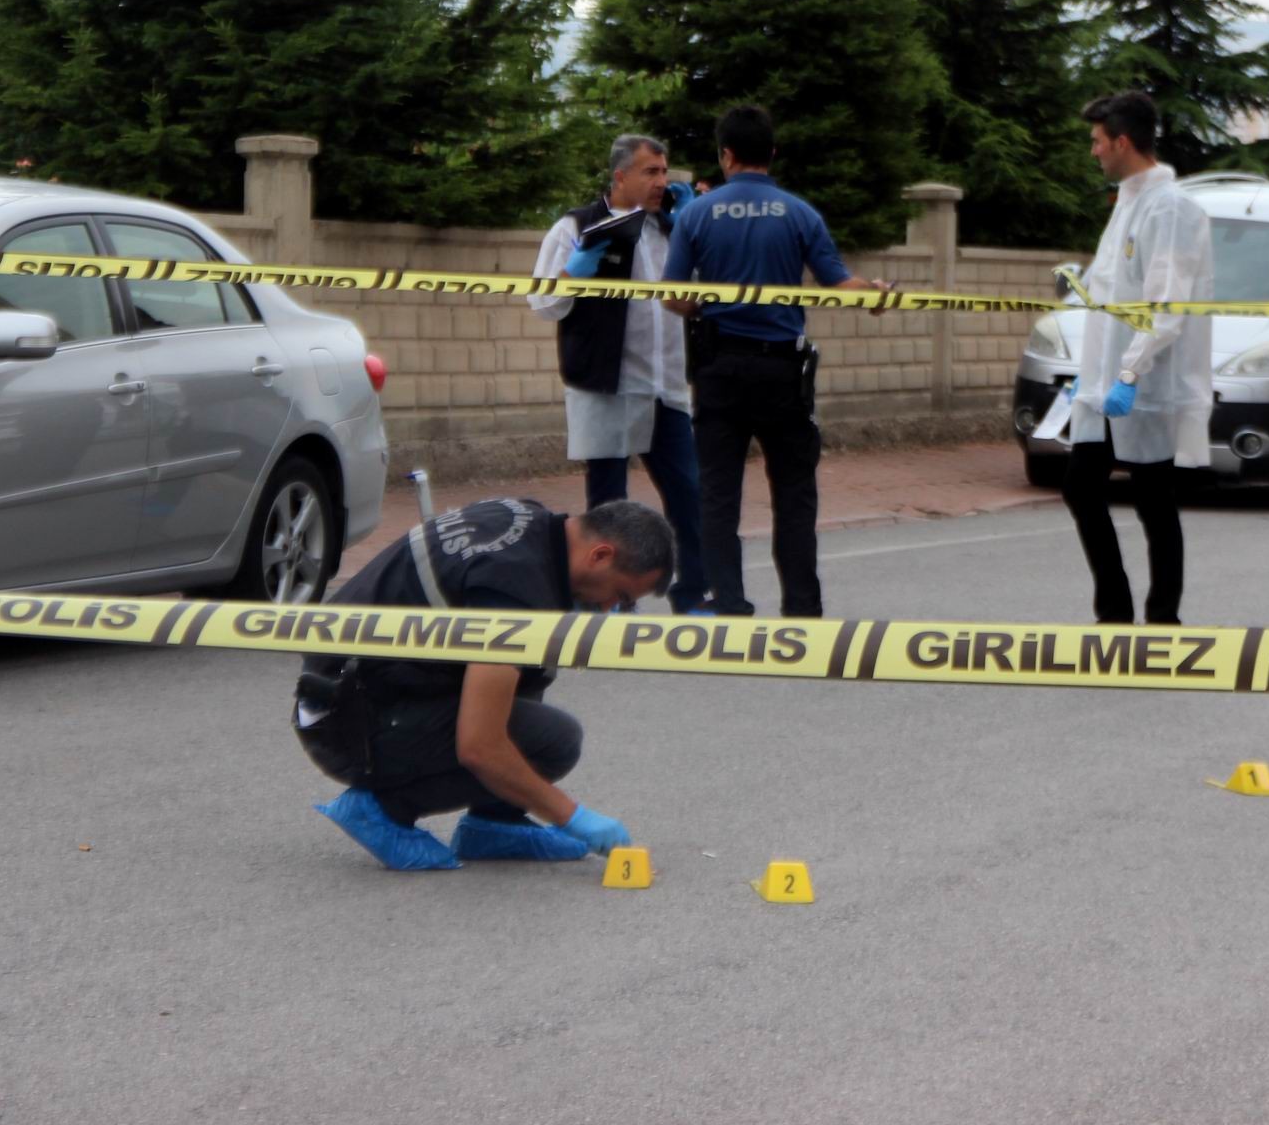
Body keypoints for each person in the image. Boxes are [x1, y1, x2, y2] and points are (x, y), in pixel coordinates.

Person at [294, 498, 673, 871]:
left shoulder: (527, 518)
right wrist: (571, 816)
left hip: (341, 691)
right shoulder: (514, 590)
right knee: (555, 740)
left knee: (534, 659)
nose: (608, 608)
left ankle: (496, 821)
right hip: (346, 725)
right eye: (620, 596)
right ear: (601, 555)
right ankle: (383, 810)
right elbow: (481, 746)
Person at [660, 105, 889, 618]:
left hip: (719, 369)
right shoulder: (799, 212)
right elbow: (840, 285)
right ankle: (803, 610)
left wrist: (711, 303)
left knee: (717, 495)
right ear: (772, 153)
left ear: (726, 155)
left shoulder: (696, 214)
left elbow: (672, 296)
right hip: (783, 372)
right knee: (794, 493)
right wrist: (875, 292)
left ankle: (732, 605)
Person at [528, 134, 710, 613]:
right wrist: (574, 273)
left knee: (690, 497)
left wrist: (695, 232)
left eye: (665, 171)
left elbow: (693, 300)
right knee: (608, 505)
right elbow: (544, 303)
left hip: (664, 387)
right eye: (650, 172)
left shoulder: (672, 230)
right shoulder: (576, 226)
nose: (662, 182)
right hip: (605, 384)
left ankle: (691, 594)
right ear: (620, 176)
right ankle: (605, 600)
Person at [1061, 90, 1213, 625]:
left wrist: (1129, 372)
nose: (1094, 152)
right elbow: (1114, 291)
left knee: (1153, 497)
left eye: (1099, 142)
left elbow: (1165, 305)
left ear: (1123, 141)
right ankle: (1115, 612)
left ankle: (1163, 618)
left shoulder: (1170, 210)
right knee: (1082, 486)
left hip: (1145, 382)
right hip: (1105, 381)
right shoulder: (1127, 202)